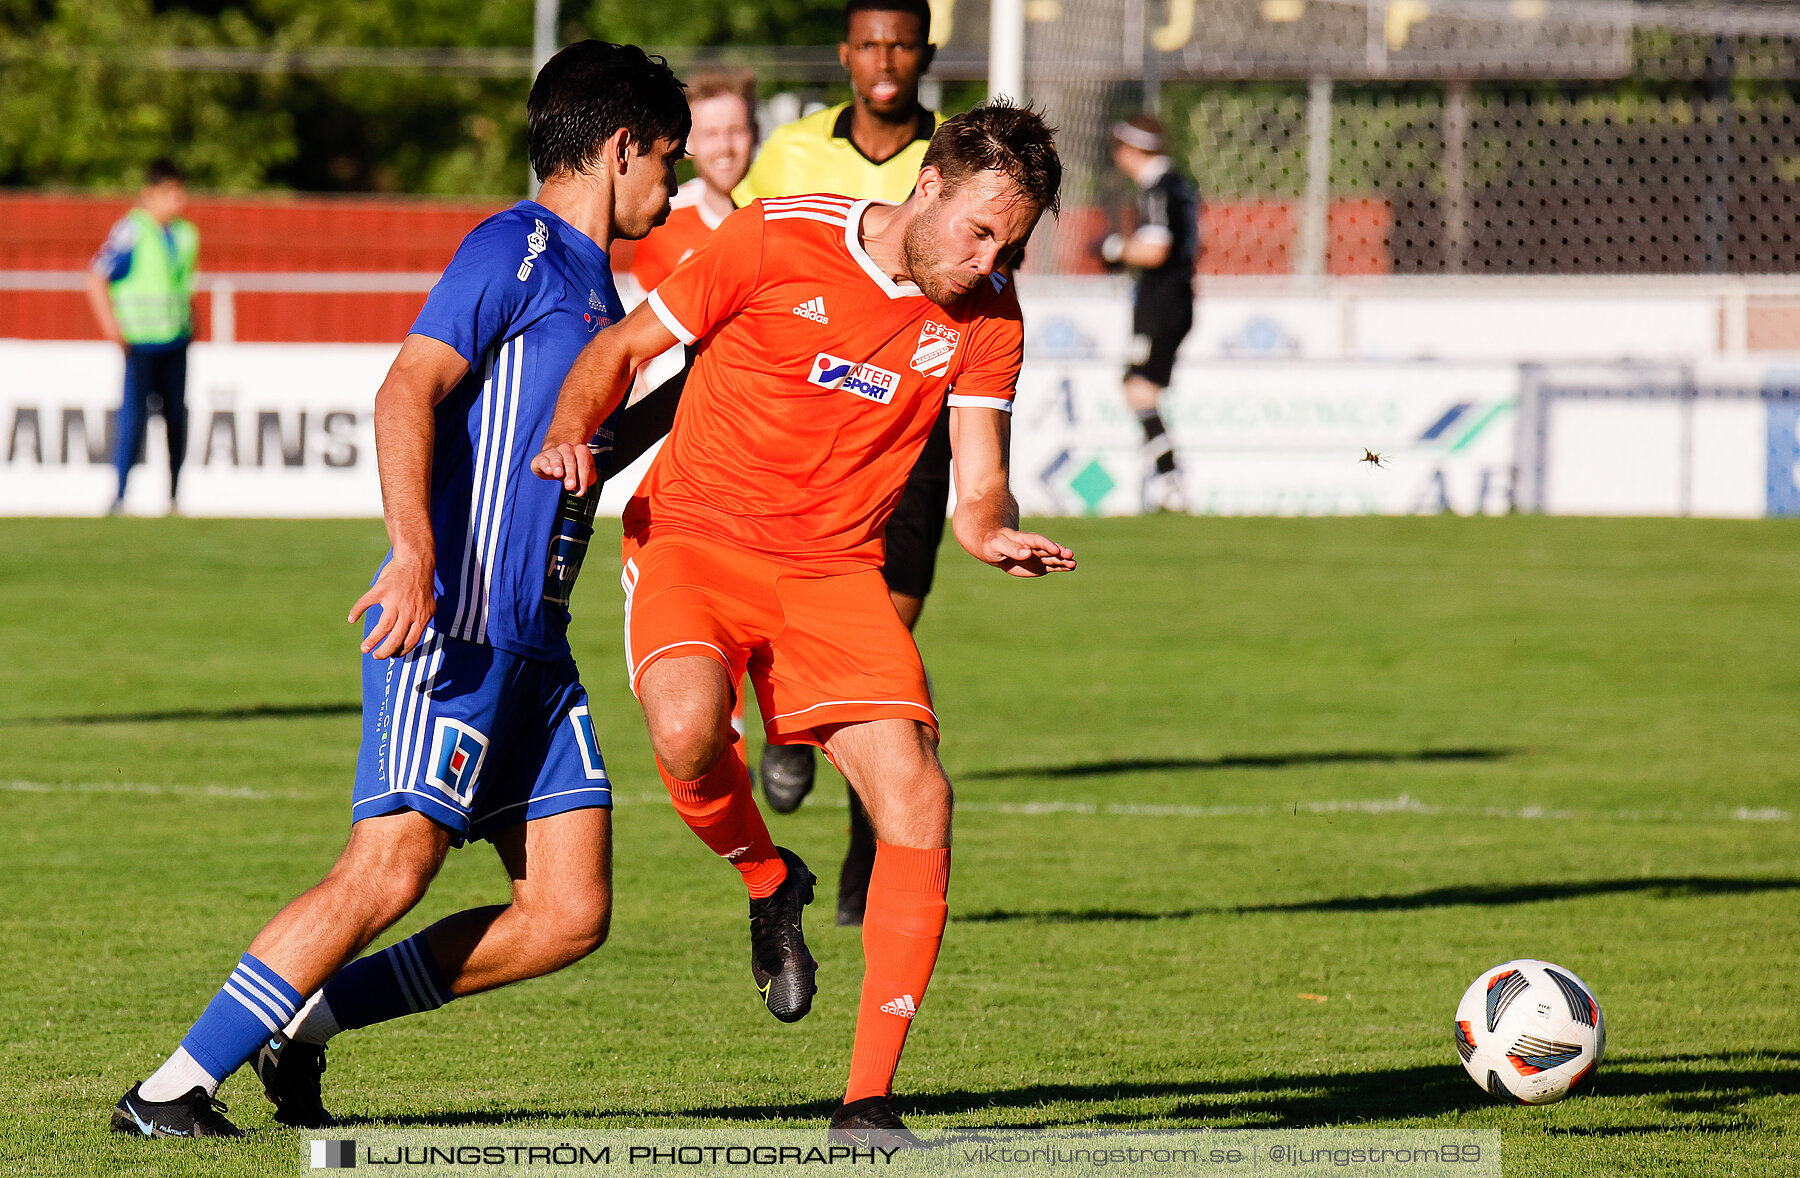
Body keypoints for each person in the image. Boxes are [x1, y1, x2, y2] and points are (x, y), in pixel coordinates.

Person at [108, 40, 688, 1139]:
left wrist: (690, 389)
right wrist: (414, 552)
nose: (677, 180)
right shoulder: (514, 246)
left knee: (569, 911)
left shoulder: (593, 281)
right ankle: (173, 1085)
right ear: (620, 148)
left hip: (535, 646)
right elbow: (405, 386)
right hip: (459, 626)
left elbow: (580, 458)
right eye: (669, 157)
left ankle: (308, 1020)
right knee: (392, 861)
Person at [533, 100, 1071, 1149]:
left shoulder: (991, 317)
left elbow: (980, 488)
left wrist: (992, 530)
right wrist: (567, 432)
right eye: (977, 231)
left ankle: (866, 1101)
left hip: (834, 574)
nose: (989, 260)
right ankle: (768, 876)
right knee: (689, 732)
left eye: (1011, 243)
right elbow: (629, 346)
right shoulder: (777, 234)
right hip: (694, 536)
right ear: (927, 188)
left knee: (918, 793)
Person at [732, 0, 947, 929]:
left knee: (881, 648)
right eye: (870, 42)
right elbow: (747, 265)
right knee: (770, 607)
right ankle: (783, 726)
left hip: (911, 442)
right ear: (845, 54)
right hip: (801, 434)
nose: (886, 57)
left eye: (902, 40)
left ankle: (869, 839)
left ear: (926, 50)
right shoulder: (789, 155)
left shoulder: (961, 156)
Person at [1097, 113, 1199, 513]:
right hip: (1176, 297)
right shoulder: (1179, 186)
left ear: (1134, 149)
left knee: (1138, 387)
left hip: (1162, 300)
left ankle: (1170, 480)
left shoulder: (1157, 188)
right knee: (1142, 388)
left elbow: (1155, 249)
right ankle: (1166, 478)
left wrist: (1115, 249)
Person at [85, 157, 198, 515]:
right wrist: (112, 328)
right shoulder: (131, 230)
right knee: (133, 420)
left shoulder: (185, 234)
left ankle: (175, 497)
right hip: (140, 341)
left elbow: (182, 285)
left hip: (176, 338)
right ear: (150, 194)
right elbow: (96, 276)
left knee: (176, 420)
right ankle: (119, 497)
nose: (178, 200)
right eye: (170, 192)